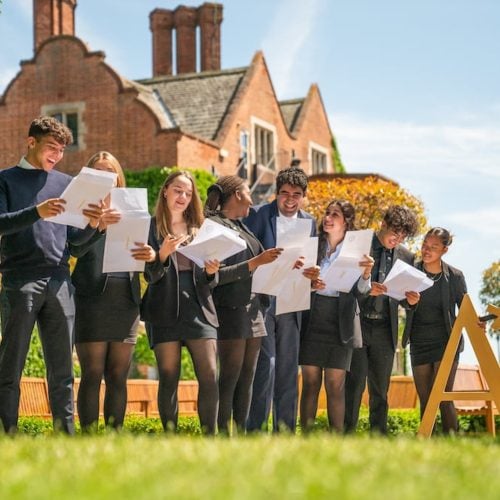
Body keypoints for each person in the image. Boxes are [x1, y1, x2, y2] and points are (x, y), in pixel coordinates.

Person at [0, 116, 103, 434]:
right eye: (51, 148)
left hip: (60, 281)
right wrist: (36, 212)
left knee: (62, 368)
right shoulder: (5, 180)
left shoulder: (66, 183)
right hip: (20, 279)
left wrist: (94, 226)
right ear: (31, 142)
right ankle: (7, 432)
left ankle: (65, 435)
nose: (56, 156)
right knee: (11, 363)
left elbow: (73, 244)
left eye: (61, 150)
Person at [70, 151, 154, 432]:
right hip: (91, 298)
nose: (107, 177)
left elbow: (145, 263)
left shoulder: (134, 209)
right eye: (100, 172)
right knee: (92, 373)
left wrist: (149, 255)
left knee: (118, 375)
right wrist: (98, 226)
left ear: (119, 177)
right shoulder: (80, 209)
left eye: (111, 171)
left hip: (125, 300)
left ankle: (114, 435)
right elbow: (74, 249)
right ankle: (89, 434)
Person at [140, 170, 220, 434]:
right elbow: (149, 276)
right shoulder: (150, 227)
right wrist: (162, 254)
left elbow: (212, 280)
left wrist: (211, 271)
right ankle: (170, 436)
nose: (183, 196)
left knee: (209, 374)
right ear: (165, 191)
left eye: (188, 192)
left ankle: (210, 436)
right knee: (168, 377)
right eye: (177, 190)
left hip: (199, 309)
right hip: (163, 307)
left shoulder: (202, 228)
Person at [204, 175, 284, 435]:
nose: (252, 198)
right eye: (248, 191)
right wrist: (256, 262)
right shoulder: (213, 225)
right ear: (238, 194)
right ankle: (222, 434)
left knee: (248, 377)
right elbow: (216, 275)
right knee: (229, 377)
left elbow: (259, 265)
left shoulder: (243, 226)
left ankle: (241, 433)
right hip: (231, 310)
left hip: (254, 311)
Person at [245, 166, 317, 433]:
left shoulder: (310, 222)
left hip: (294, 298)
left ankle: (285, 429)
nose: (289, 200)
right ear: (276, 193)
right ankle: (256, 429)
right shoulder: (258, 215)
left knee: (288, 366)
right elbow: (248, 253)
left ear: (303, 196)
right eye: (284, 193)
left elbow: (311, 258)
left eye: (296, 195)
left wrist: (311, 271)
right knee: (267, 365)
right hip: (263, 299)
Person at [344, 205, 420, 435]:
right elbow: (344, 285)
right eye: (395, 232)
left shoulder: (407, 257)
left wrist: (411, 301)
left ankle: (379, 435)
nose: (398, 239)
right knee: (354, 385)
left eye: (404, 235)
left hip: (385, 329)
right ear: (384, 223)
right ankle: (346, 435)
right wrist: (366, 289)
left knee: (380, 389)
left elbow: (405, 297)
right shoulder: (360, 246)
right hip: (358, 325)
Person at [299, 200, 374, 433]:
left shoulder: (358, 252)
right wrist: (310, 283)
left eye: (335, 214)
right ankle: (307, 437)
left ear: (346, 222)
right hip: (313, 317)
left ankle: (336, 439)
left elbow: (361, 293)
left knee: (335, 385)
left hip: (341, 322)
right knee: (310, 383)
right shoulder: (313, 247)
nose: (328, 218)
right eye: (327, 213)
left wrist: (366, 274)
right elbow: (297, 282)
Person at [402, 227, 467, 434]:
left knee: (444, 396)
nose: (426, 251)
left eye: (433, 247)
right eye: (424, 246)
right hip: (419, 341)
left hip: (446, 342)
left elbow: (465, 309)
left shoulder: (455, 276)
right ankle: (426, 445)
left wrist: (478, 322)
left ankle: (452, 441)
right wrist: (409, 302)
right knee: (427, 399)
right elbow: (402, 300)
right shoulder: (413, 270)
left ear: (444, 250)